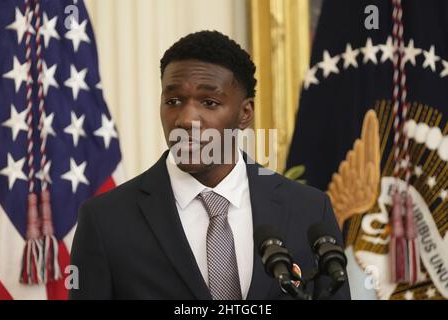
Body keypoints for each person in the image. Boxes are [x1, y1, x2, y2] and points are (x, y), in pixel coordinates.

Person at [69, 30, 350, 300]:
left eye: (209, 102)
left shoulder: (310, 210)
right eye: (173, 100)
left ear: (245, 113)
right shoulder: (105, 220)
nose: (185, 119)